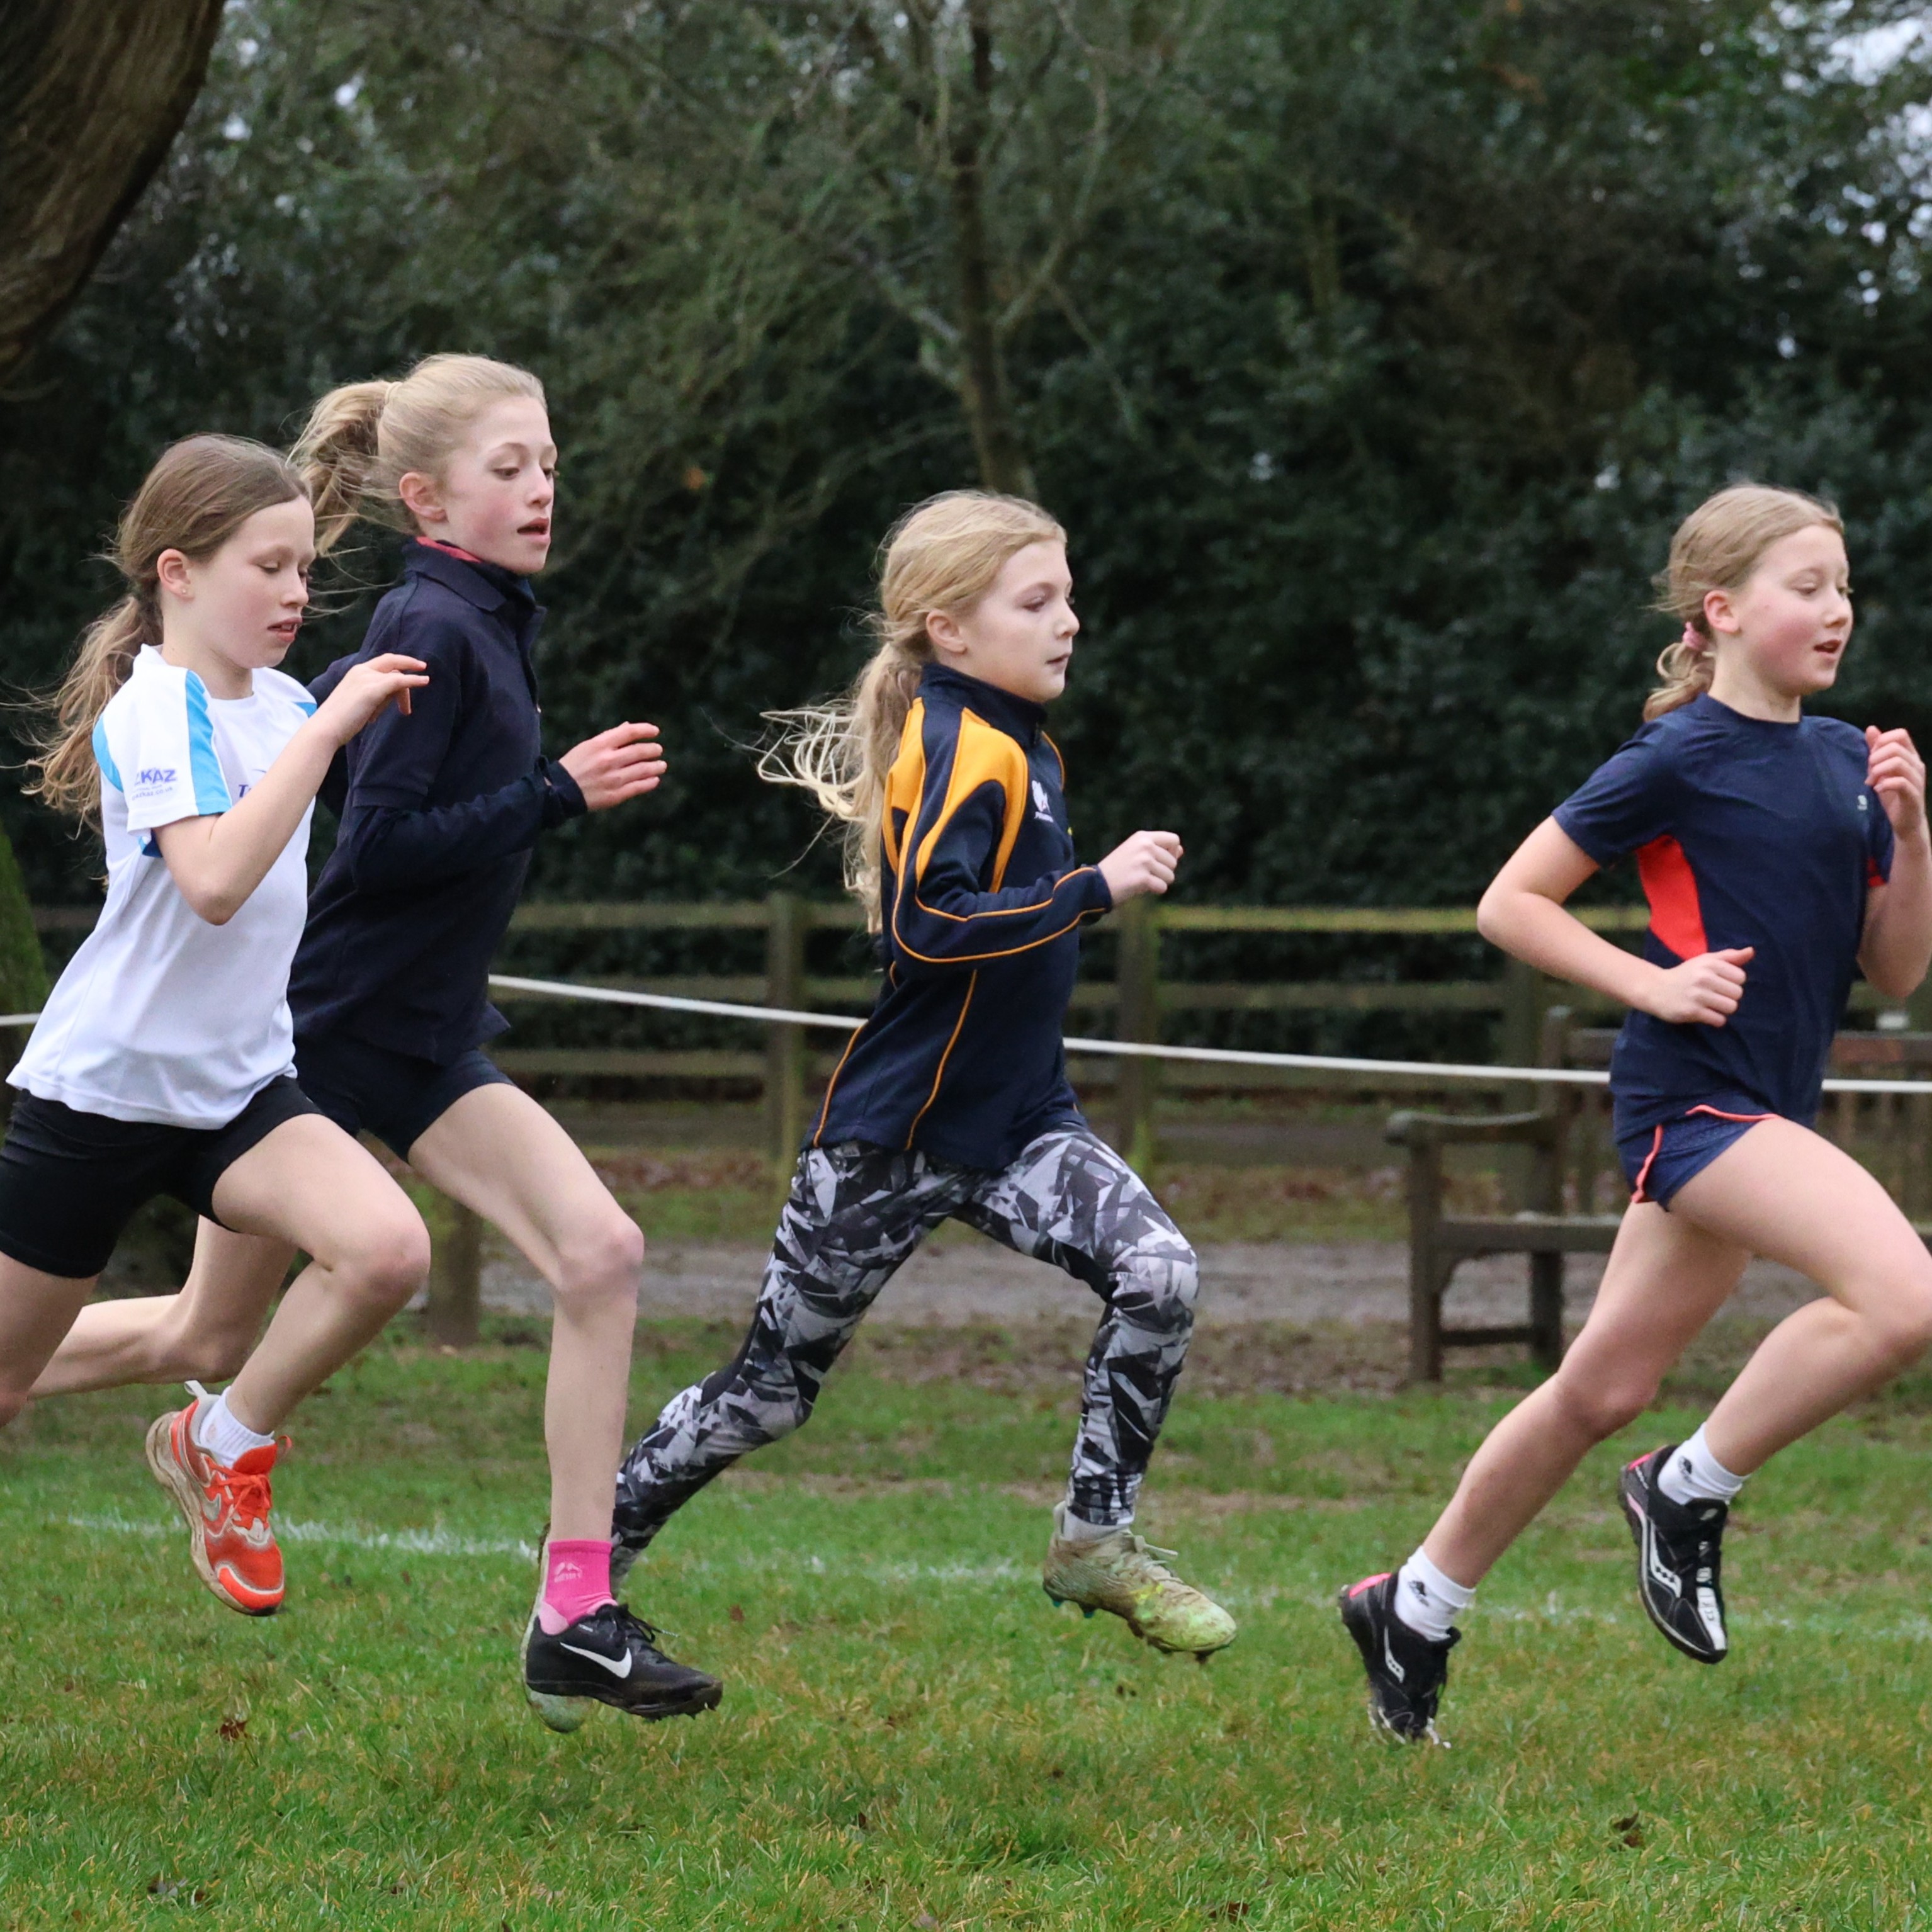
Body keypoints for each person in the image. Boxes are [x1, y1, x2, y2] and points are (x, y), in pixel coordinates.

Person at [34, 355, 718, 1733]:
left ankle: (568, 1605)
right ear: (428, 497)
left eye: (549, 465)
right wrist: (553, 793)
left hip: (367, 1042)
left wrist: (338, 717)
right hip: (294, 1038)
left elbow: (318, 762)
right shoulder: (409, 626)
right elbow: (341, 851)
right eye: (511, 466)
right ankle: (219, 1434)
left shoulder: (428, 639)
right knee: (192, 1327)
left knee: (581, 1253)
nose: (541, 488)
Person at [1340, 483, 1932, 1744]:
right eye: (1806, 586)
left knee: (1598, 1383)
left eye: (1843, 586)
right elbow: (1511, 901)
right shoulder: (1673, 756)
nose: (1837, 610)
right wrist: (1649, 979)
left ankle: (1412, 1603)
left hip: (1764, 1100)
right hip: (1693, 1103)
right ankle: (1684, 1487)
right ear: (1718, 611)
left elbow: (1893, 972)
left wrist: (1911, 831)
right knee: (1903, 1296)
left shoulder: (1840, 759)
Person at [608, 489, 1236, 1660]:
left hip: (1018, 1126)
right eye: (1037, 600)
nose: (1069, 623)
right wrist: (1092, 885)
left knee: (1157, 1273)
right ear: (948, 628)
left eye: (1068, 597)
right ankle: (591, 1558)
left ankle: (1093, 1540)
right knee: (766, 1395)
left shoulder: (1024, 745)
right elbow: (929, 929)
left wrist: (1070, 896)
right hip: (890, 1139)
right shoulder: (963, 743)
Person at [3, 433, 434, 1617]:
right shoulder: (158, 711)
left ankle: (222, 1444)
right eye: (271, 567)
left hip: (241, 1090)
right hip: (101, 1096)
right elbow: (215, 880)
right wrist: (325, 734)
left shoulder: (290, 702)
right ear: (179, 573)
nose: (298, 593)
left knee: (376, 1258)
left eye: (305, 568)